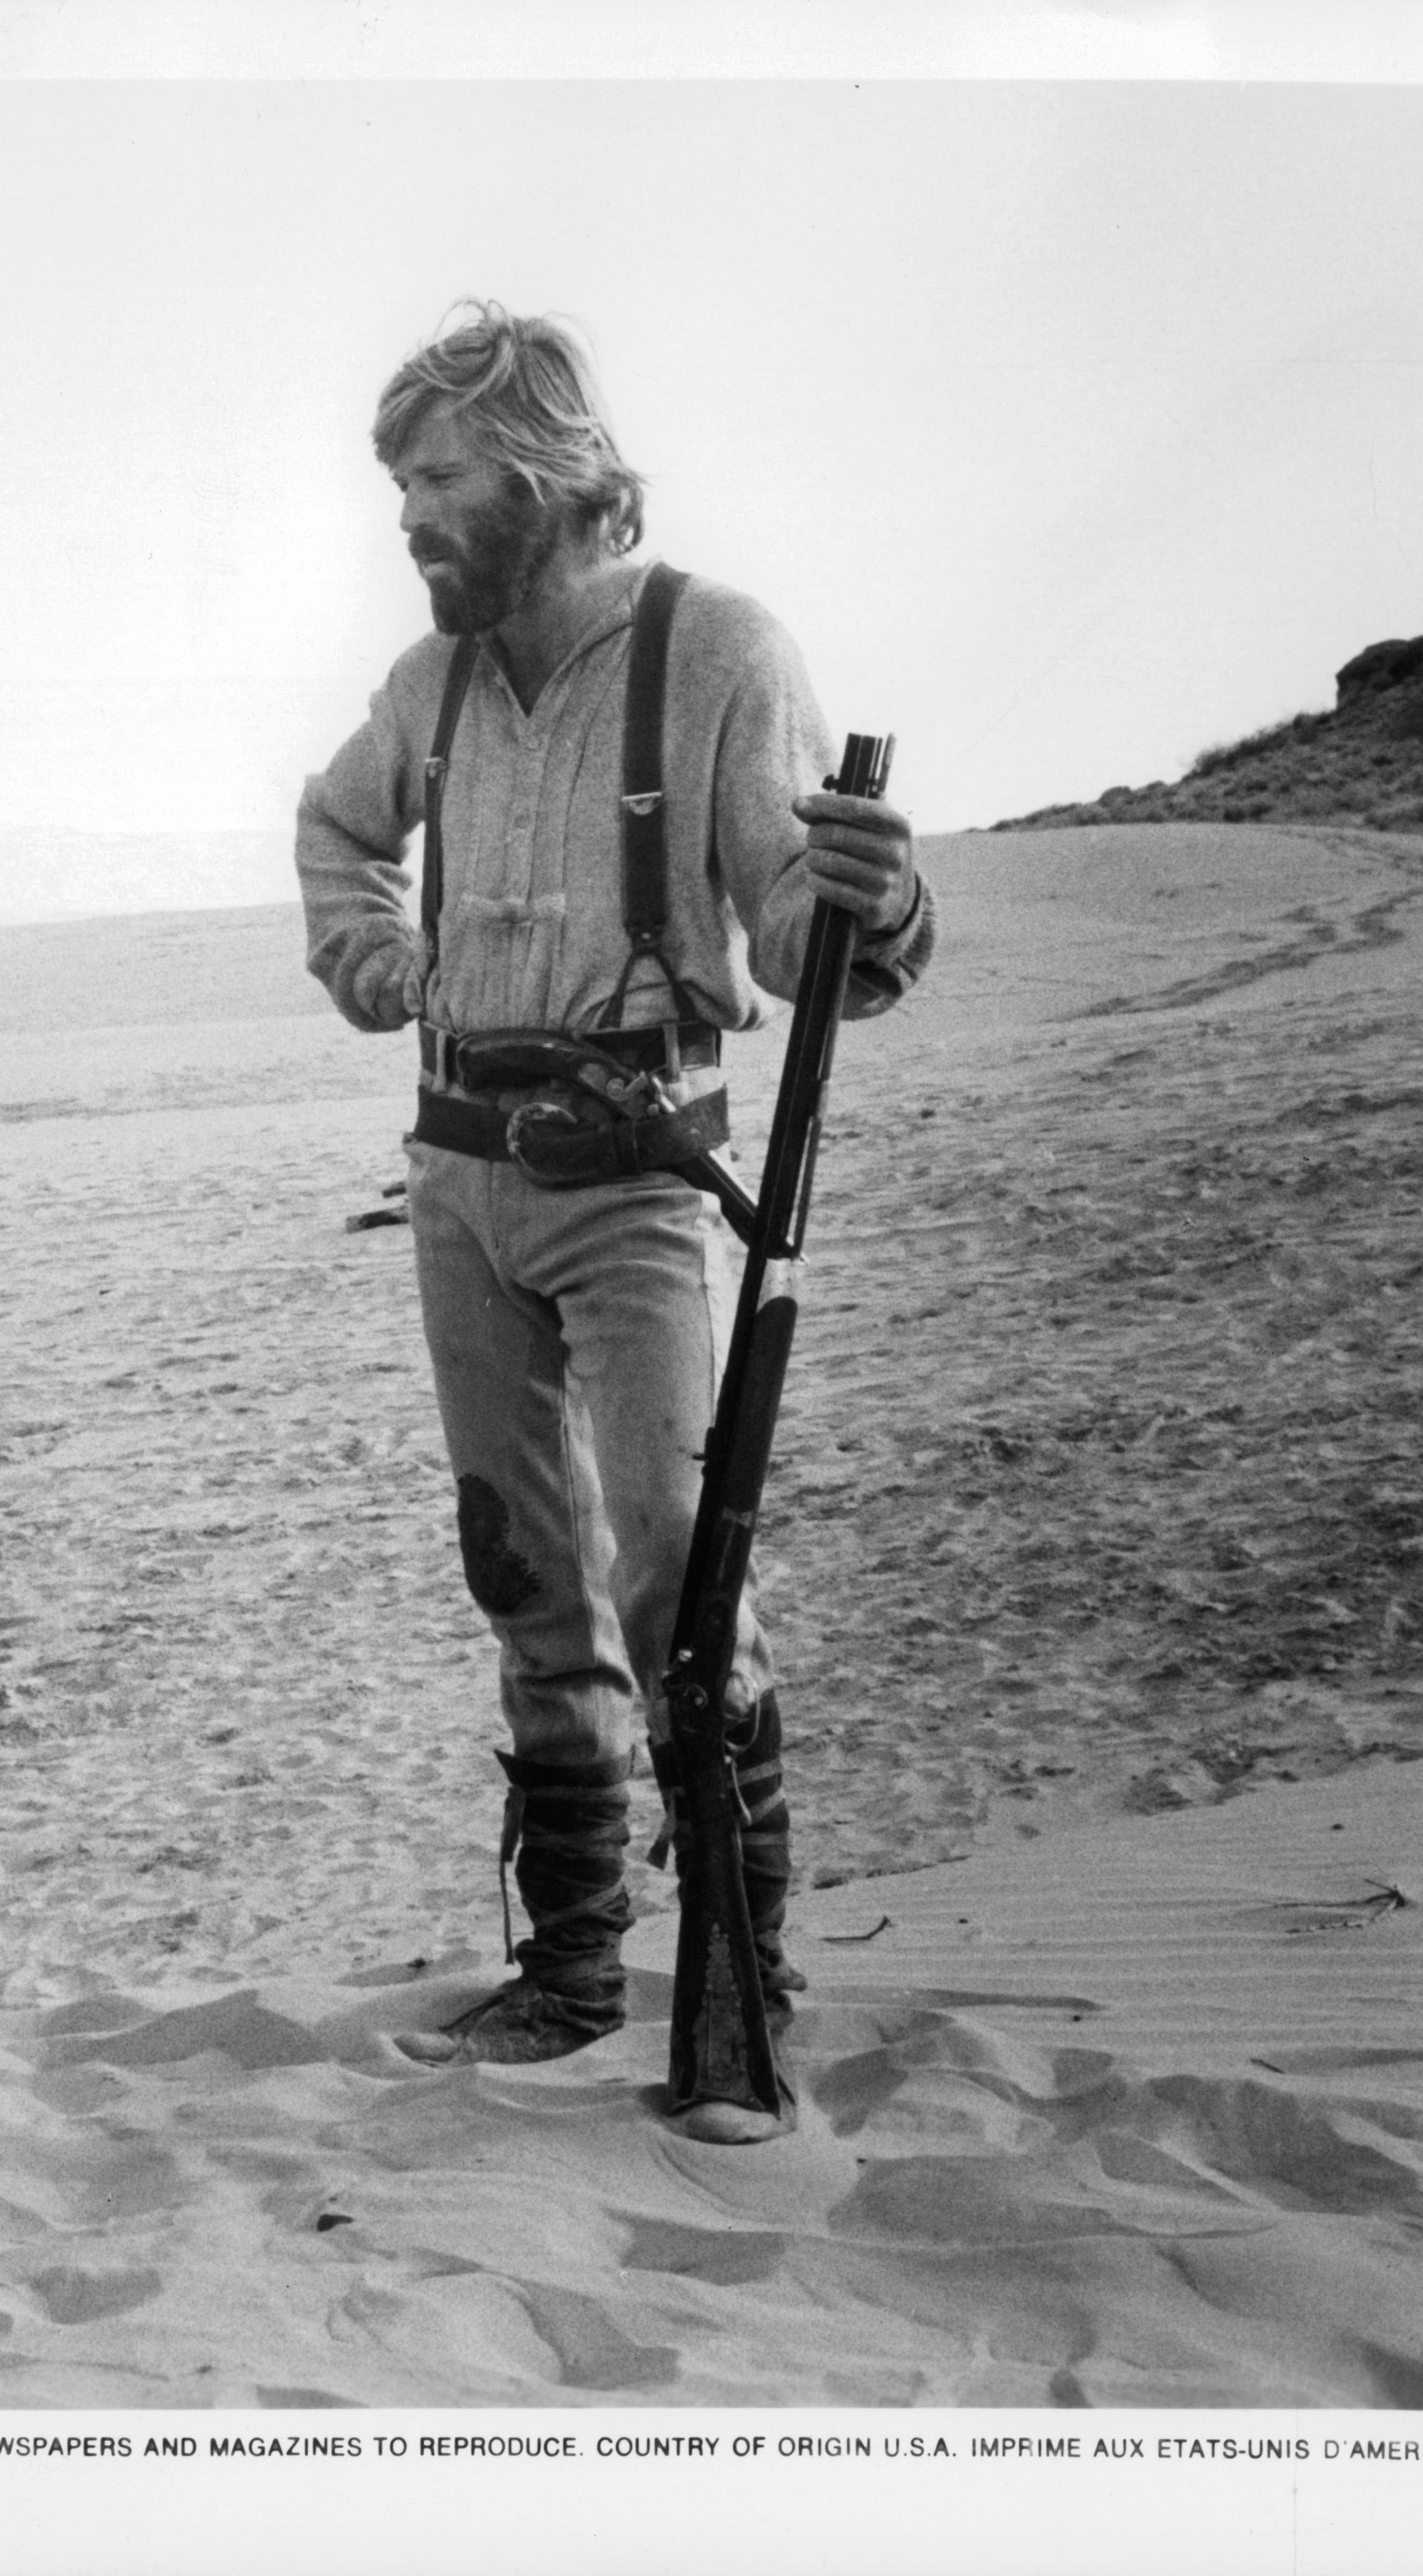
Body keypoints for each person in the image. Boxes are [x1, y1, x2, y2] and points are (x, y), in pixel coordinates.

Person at [294, 304, 933, 2119]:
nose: (408, 518)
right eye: (397, 486)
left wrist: (871, 900)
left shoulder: (718, 649)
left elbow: (802, 935)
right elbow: (333, 832)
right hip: (453, 1171)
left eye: (435, 479)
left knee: (680, 1573)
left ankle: (747, 1983)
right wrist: (371, 956)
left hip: (639, 1176)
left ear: (552, 471)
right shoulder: (425, 689)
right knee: (521, 1568)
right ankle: (569, 1970)